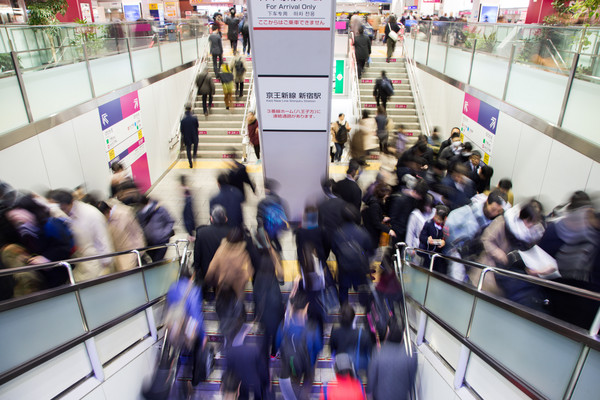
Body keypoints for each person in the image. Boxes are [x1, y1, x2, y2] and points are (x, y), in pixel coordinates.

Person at [479, 201, 547, 310]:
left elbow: (530, 251)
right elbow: (485, 239)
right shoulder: (503, 222)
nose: (530, 225)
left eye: (534, 223)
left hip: (512, 275)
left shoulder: (535, 232)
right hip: (492, 268)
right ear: (522, 216)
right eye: (528, 221)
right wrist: (498, 252)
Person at [47, 189, 113, 281]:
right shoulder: (63, 212)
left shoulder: (91, 214)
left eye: (62, 207)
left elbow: (103, 240)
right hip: (78, 262)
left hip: (95, 262)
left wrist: (107, 266)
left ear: (69, 203)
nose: (61, 210)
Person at [444, 190, 506, 281]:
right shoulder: (469, 211)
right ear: (487, 202)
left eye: (499, 211)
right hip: (459, 254)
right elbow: (449, 227)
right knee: (456, 281)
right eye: (493, 209)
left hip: (478, 257)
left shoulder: (498, 220)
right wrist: (455, 245)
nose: (495, 213)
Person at [276, 290, 324, 400]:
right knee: (308, 379)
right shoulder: (312, 328)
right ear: (306, 307)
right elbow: (318, 348)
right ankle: (305, 395)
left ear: (292, 307)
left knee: (295, 378)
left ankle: (296, 391)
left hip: (291, 362)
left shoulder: (283, 326)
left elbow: (278, 345)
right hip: (308, 363)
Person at [332, 205, 373, 305]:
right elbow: (370, 250)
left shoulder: (338, 232)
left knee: (343, 288)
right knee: (362, 286)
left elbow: (334, 249)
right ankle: (365, 307)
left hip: (344, 267)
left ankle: (344, 307)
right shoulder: (363, 233)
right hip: (359, 267)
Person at [367, 319, 417, 400]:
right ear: (404, 333)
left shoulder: (378, 351)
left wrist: (369, 393)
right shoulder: (411, 353)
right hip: (401, 396)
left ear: (388, 331)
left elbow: (371, 375)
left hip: (381, 396)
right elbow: (411, 379)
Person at [97, 199, 145, 272]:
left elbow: (137, 232)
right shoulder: (106, 222)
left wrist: (138, 253)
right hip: (118, 256)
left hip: (131, 253)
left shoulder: (124, 215)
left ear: (106, 212)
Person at [205, 227, 253, 300]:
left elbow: (211, 270)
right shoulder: (243, 254)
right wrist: (241, 281)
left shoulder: (220, 251)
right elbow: (248, 273)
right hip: (238, 291)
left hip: (223, 289)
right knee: (237, 309)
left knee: (223, 307)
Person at [329, 303, 372, 376]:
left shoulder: (334, 333)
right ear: (354, 318)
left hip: (341, 366)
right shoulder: (363, 334)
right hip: (356, 366)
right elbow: (369, 352)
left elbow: (332, 350)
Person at [193, 205, 230, 286]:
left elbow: (197, 255)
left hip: (206, 274)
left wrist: (196, 269)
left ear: (211, 218)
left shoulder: (201, 232)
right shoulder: (231, 233)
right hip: (225, 274)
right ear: (225, 219)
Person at [388, 179, 429, 244]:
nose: (421, 198)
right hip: (398, 231)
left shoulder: (416, 200)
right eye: (420, 196)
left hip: (408, 231)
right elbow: (393, 217)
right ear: (415, 192)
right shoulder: (400, 199)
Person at [136, 196, 175, 262]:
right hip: (149, 243)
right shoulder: (140, 213)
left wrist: (164, 233)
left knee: (157, 260)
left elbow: (170, 221)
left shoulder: (160, 209)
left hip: (161, 241)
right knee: (154, 260)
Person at [362, 182, 395, 249]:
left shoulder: (373, 200)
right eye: (387, 194)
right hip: (371, 234)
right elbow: (376, 223)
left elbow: (374, 215)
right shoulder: (375, 205)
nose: (388, 196)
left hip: (368, 231)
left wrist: (382, 217)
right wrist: (388, 230)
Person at [419, 204, 450, 272]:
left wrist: (444, 242)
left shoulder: (446, 227)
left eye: (439, 219)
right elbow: (422, 236)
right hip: (428, 253)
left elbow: (449, 239)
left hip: (439, 256)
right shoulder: (428, 223)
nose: (436, 219)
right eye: (435, 216)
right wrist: (427, 239)